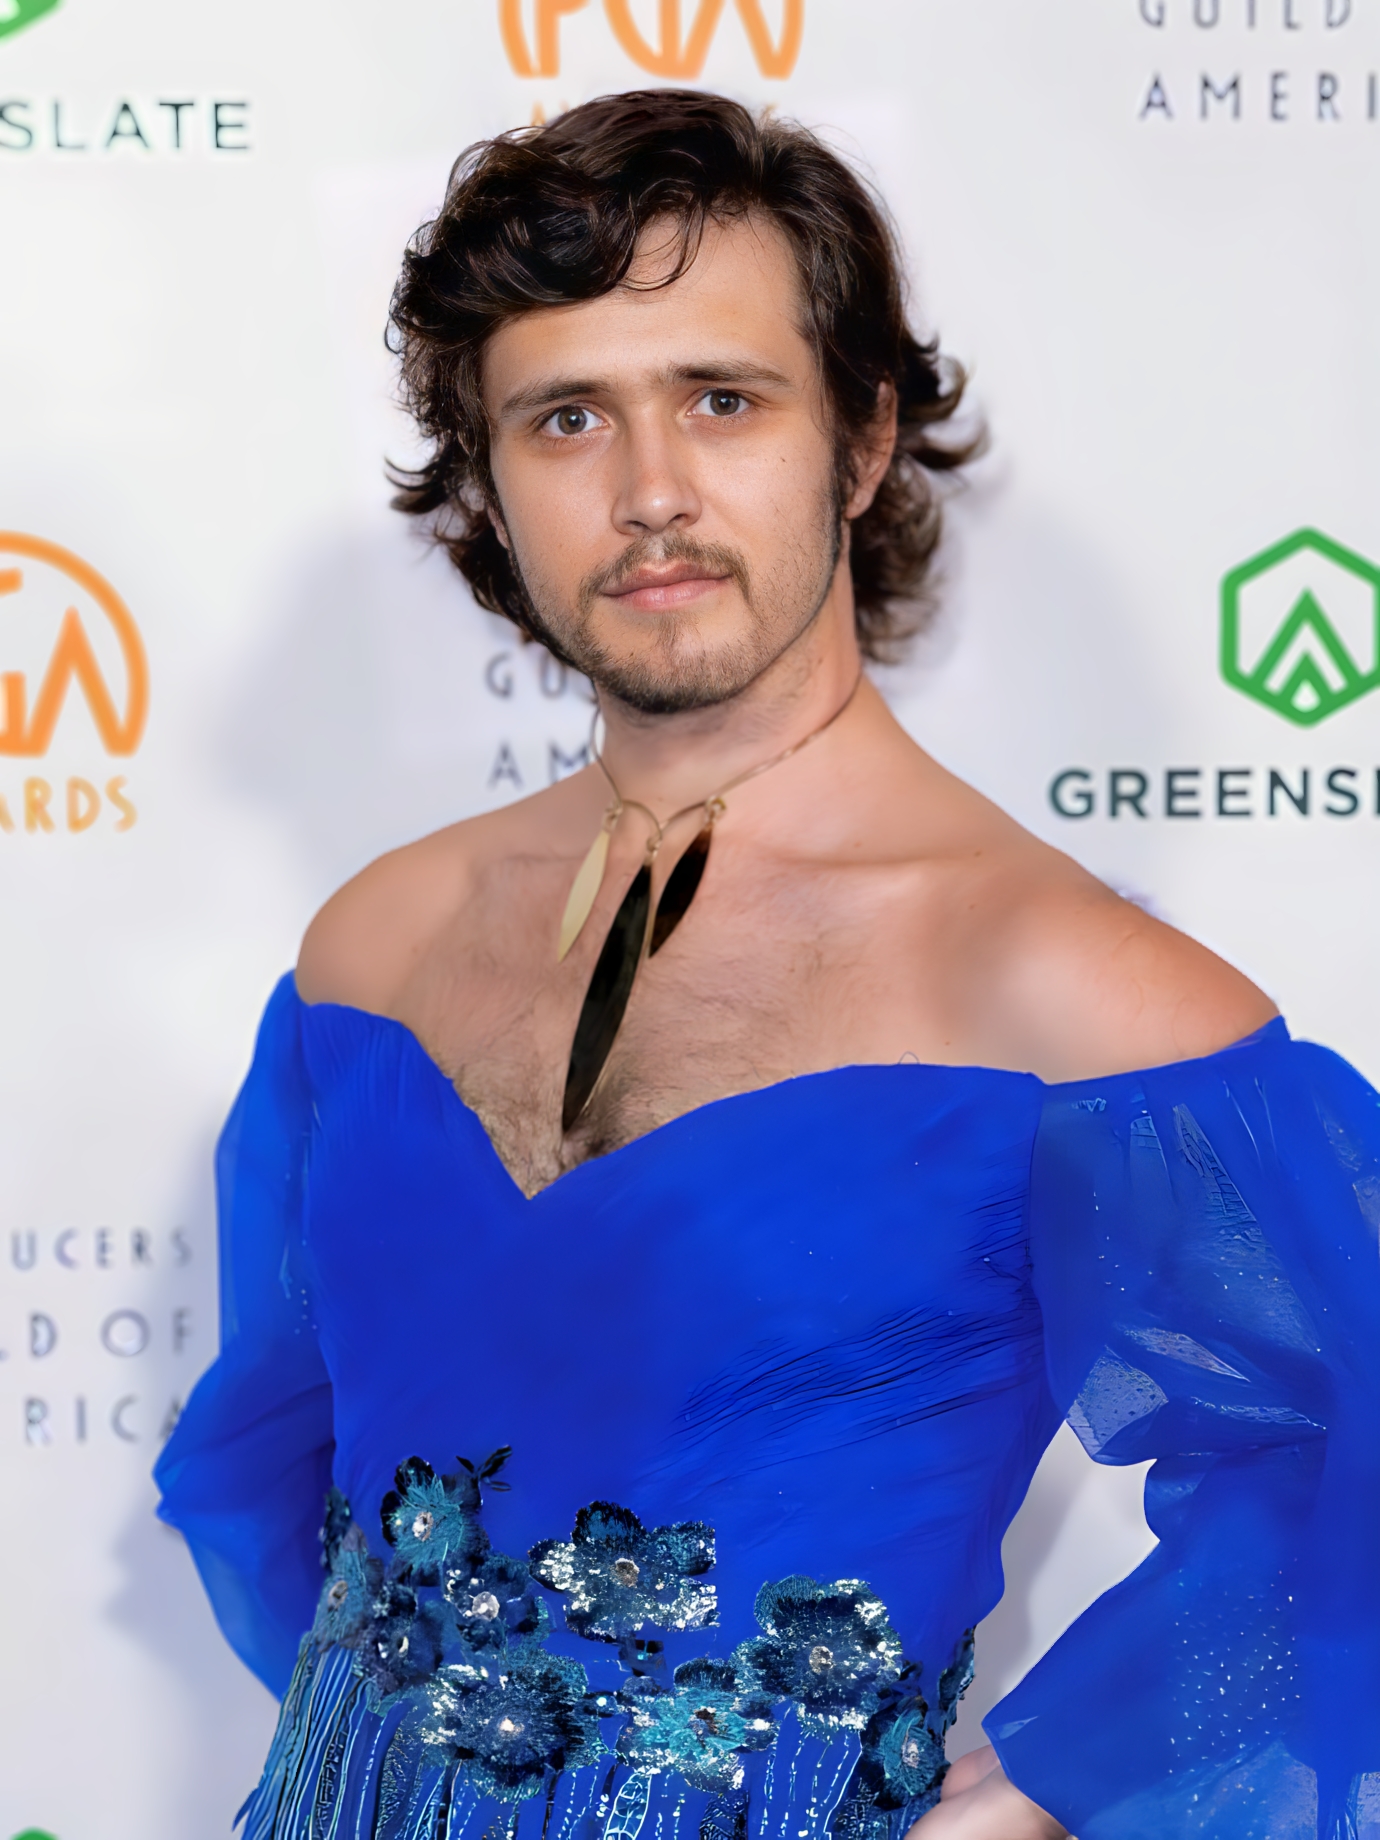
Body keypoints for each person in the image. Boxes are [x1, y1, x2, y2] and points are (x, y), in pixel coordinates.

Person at [154, 91, 1380, 1840]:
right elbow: (266, 1453)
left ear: (861, 441)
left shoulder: (1070, 992)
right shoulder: (375, 948)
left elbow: (1352, 1471)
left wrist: (1036, 1789)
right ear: (489, 485)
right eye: (567, 417)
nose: (650, 493)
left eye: (721, 401)